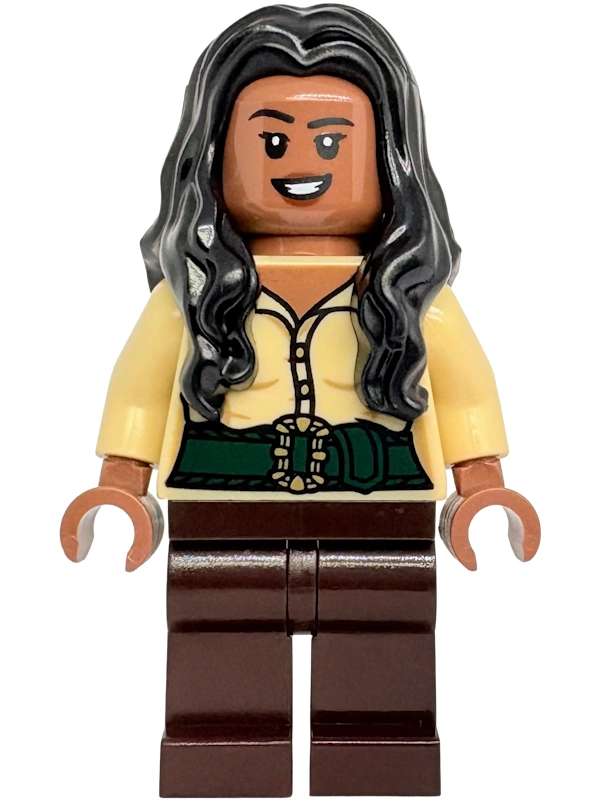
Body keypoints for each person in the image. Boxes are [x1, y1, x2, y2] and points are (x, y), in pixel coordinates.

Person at [61, 5, 540, 796]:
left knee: (381, 638)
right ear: (216, 158)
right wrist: (120, 485)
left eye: (332, 141)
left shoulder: (412, 299)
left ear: (389, 159)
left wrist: (482, 487)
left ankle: (377, 758)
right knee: (220, 633)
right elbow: (138, 394)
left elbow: (464, 399)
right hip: (222, 508)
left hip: (380, 509)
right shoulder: (192, 298)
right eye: (273, 141)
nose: (302, 163)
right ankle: (223, 757)